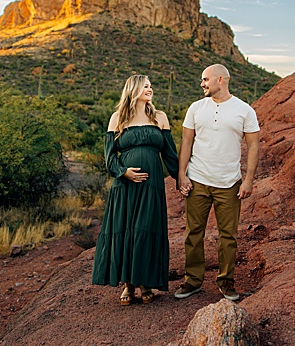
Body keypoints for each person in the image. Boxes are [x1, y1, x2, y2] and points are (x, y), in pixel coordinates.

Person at [174, 64, 260, 302]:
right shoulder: (196, 108)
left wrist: (248, 180)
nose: (202, 83)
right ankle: (192, 281)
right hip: (198, 180)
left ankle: (226, 281)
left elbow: (253, 146)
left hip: (229, 183)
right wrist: (182, 174)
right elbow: (186, 142)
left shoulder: (244, 110)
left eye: (205, 79)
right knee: (193, 233)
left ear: (220, 79)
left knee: (228, 236)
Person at [92, 72, 179, 304]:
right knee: (128, 229)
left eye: (151, 86)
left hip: (152, 186)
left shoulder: (160, 117)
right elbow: (109, 158)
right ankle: (128, 285)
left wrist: (182, 178)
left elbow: (170, 155)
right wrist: (124, 172)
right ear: (134, 90)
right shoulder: (117, 118)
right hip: (125, 186)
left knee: (146, 228)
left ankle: (145, 283)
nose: (150, 89)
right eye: (146, 86)